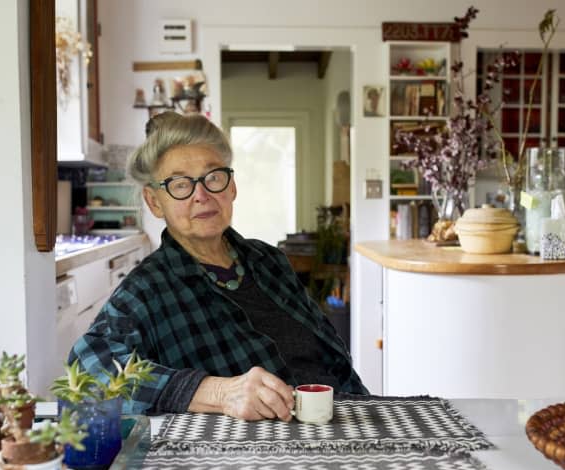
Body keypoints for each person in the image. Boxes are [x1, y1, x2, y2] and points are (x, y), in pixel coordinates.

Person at [68, 112, 368, 421]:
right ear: (154, 202)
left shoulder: (270, 261)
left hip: (343, 422)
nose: (202, 195)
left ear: (232, 187)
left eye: (213, 178)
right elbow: (87, 371)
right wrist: (218, 392)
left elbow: (332, 362)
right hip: (257, 454)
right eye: (180, 184)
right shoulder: (148, 288)